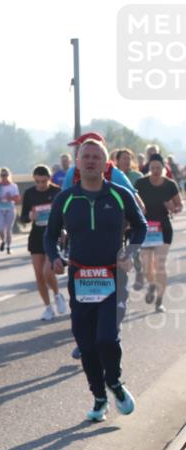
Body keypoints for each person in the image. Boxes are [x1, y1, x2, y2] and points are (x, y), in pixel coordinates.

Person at [45, 138, 147, 422]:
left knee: (106, 338)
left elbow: (139, 227)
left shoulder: (120, 195)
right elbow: (50, 234)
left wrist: (130, 252)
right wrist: (54, 256)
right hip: (80, 278)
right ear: (78, 163)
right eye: (85, 157)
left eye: (96, 157)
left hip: (113, 277)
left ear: (105, 164)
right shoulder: (65, 199)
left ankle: (114, 382)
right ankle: (99, 397)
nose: (90, 161)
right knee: (86, 344)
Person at [134, 154, 183, 313]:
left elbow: (179, 205)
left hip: (163, 228)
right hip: (146, 228)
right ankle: (152, 285)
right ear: (149, 168)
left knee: (160, 265)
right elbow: (133, 203)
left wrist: (173, 208)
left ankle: (159, 301)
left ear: (163, 168)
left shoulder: (170, 185)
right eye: (152, 168)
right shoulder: (140, 183)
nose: (155, 171)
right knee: (148, 265)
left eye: (158, 168)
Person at [20, 165, 66, 321]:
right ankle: (48, 308)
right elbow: (23, 218)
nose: (41, 185)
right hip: (37, 236)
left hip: (53, 235)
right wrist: (30, 217)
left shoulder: (57, 192)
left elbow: (65, 214)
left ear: (49, 178)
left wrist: (64, 230)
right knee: (39, 275)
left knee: (48, 271)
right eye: (38, 181)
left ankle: (57, 294)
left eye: (44, 181)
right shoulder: (30, 194)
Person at [0, 167, 20, 254]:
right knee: (0, 228)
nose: (3, 177)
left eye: (5, 175)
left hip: (10, 209)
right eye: (2, 175)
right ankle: (3, 241)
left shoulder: (13, 186)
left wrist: (10, 197)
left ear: (9, 175)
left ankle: (8, 247)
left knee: (8, 229)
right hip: (0, 209)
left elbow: (17, 198)